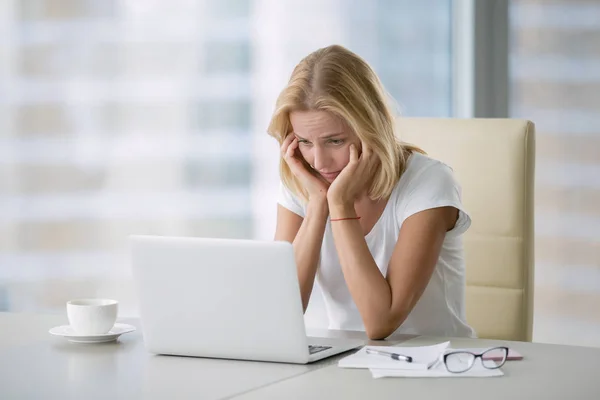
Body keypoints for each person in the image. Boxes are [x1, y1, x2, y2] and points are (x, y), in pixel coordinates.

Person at [268, 44, 475, 340]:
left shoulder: (429, 183)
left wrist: (339, 206)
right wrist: (317, 204)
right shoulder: (304, 182)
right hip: (346, 364)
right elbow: (280, 310)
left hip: (435, 366)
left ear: (370, 127)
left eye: (335, 141)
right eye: (304, 141)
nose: (319, 161)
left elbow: (380, 323)